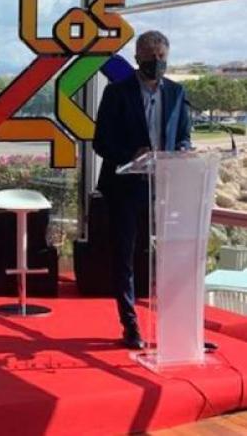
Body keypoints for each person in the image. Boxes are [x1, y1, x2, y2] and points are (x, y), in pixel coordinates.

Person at [93, 30, 191, 350]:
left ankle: (175, 323)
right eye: (150, 57)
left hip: (165, 185)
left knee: (169, 254)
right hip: (124, 187)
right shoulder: (117, 92)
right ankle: (131, 324)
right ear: (137, 58)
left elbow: (183, 135)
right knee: (125, 255)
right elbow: (101, 142)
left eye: (161, 57)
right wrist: (130, 155)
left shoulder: (176, 92)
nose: (156, 62)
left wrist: (183, 149)